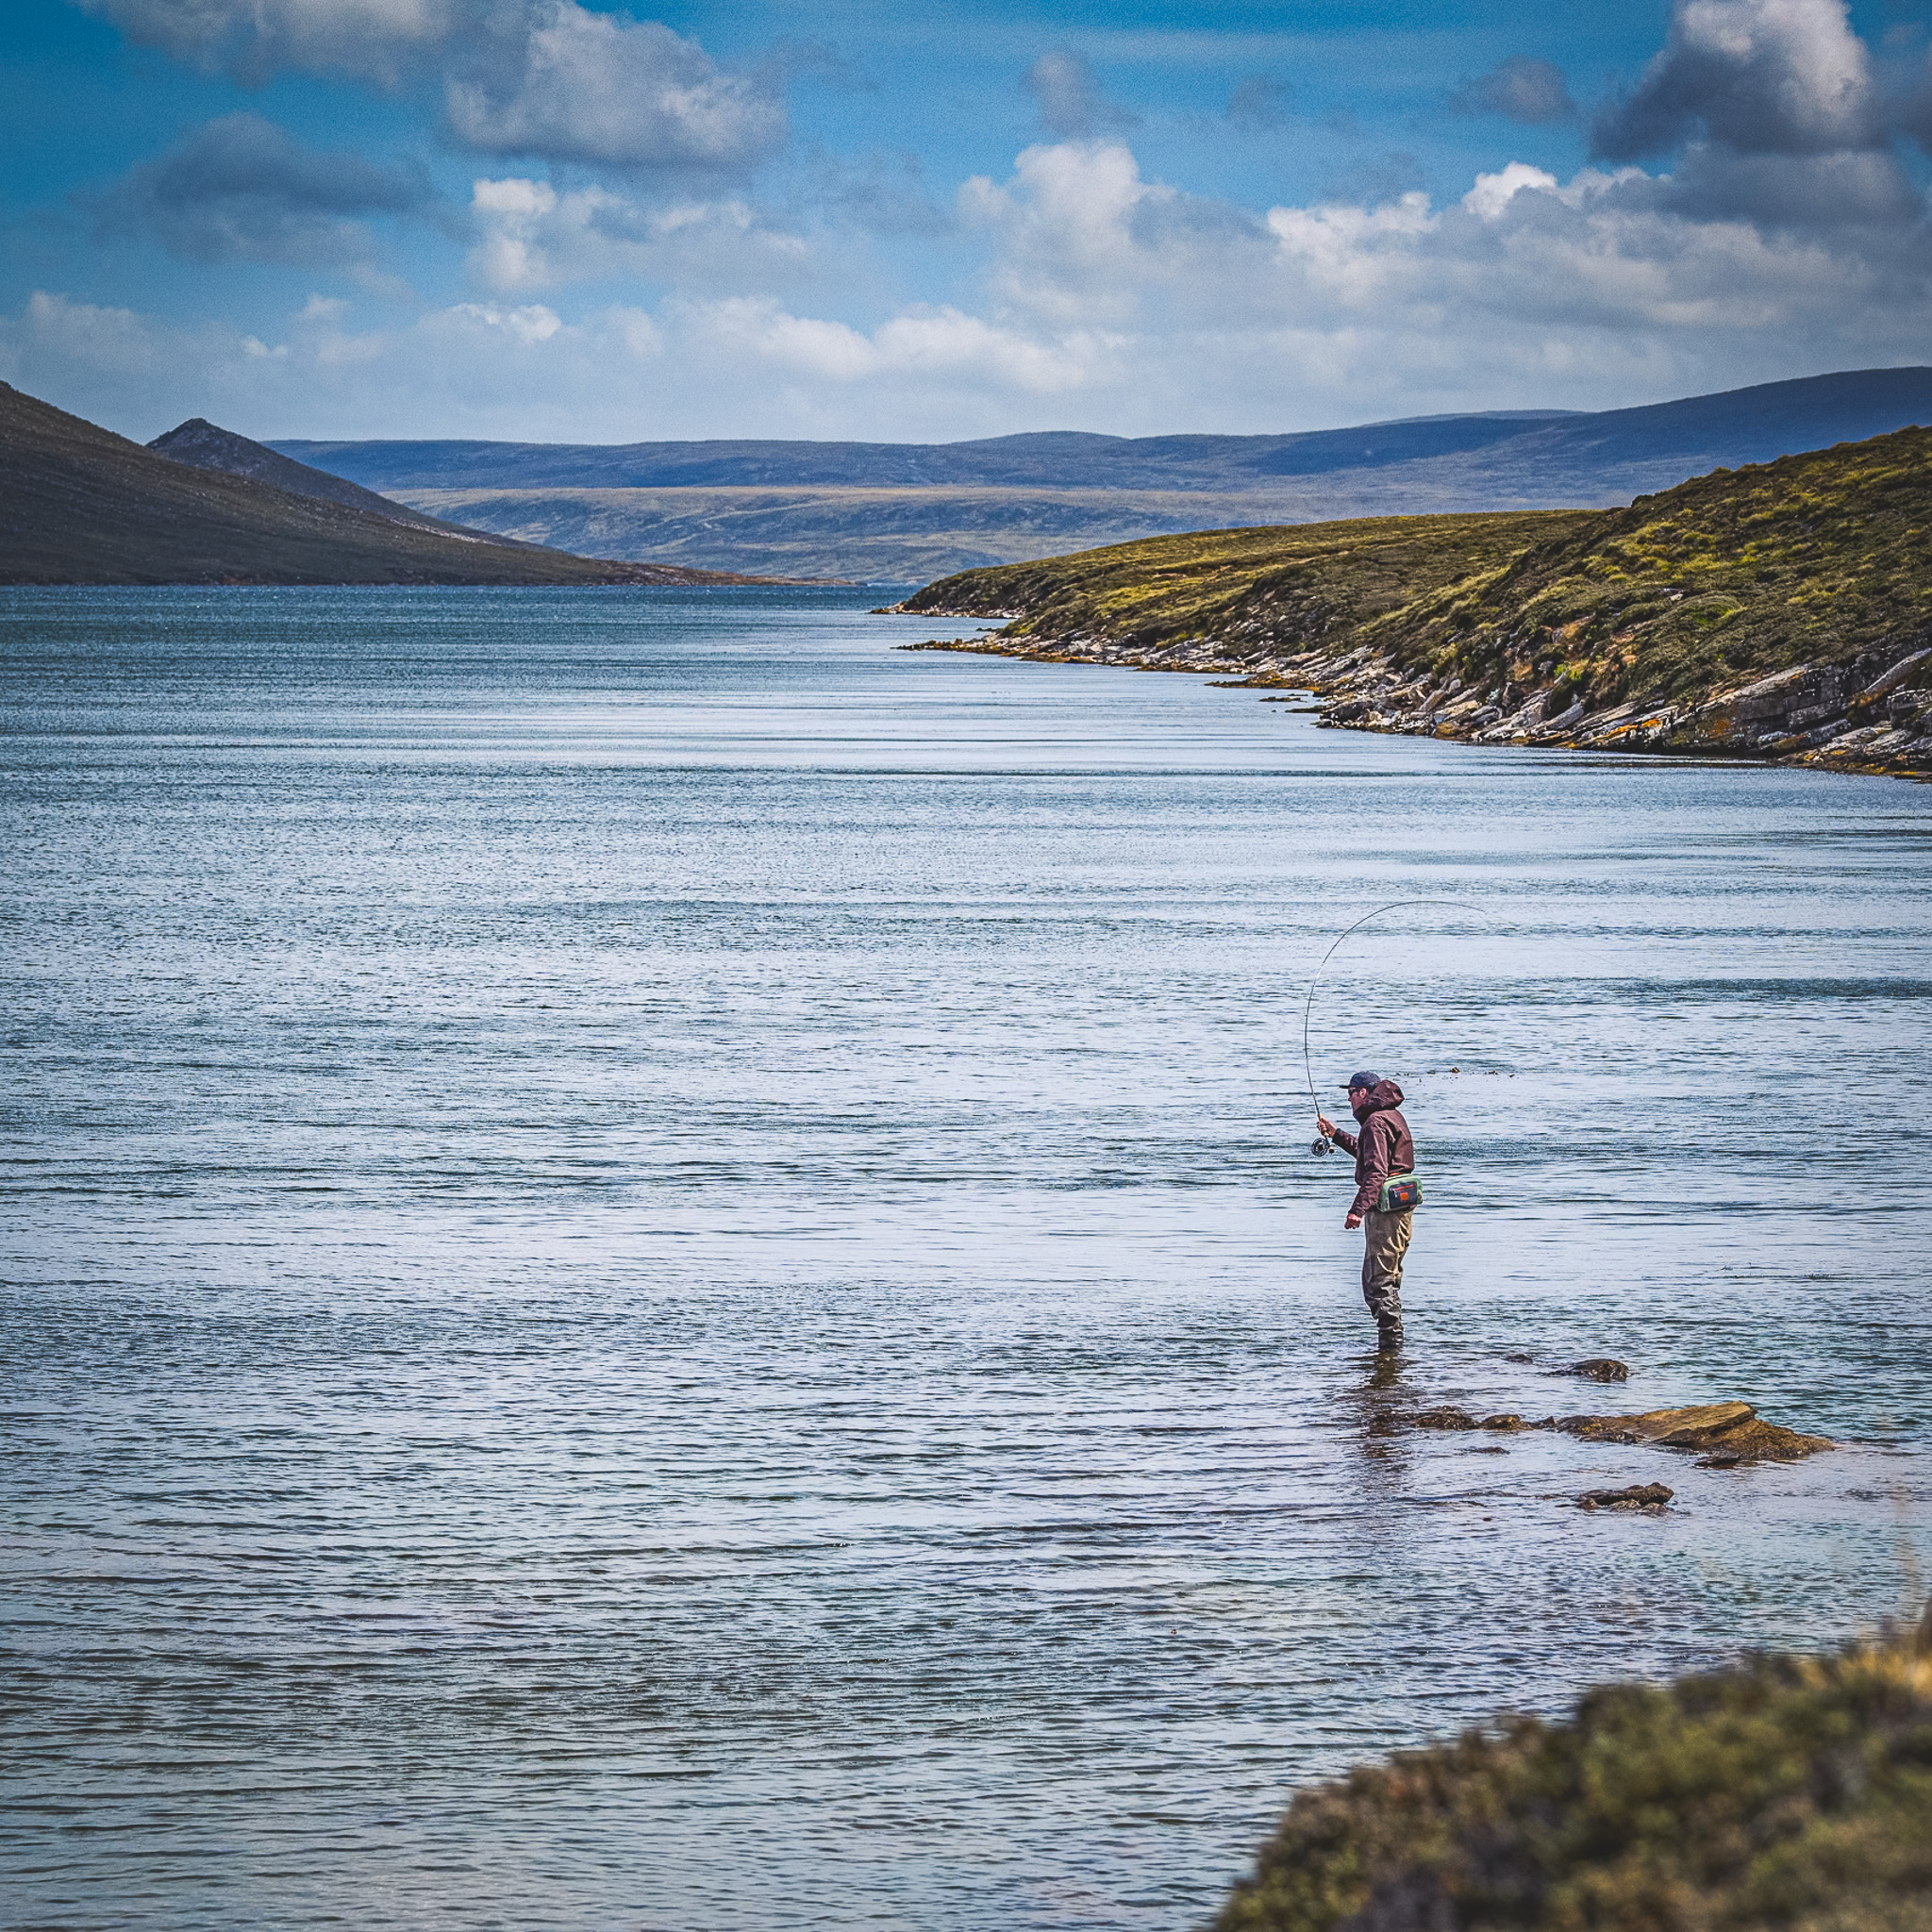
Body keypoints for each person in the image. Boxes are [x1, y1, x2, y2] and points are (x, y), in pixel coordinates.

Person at [1316, 1073, 1415, 1353]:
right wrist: (1336, 1135)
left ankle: (1390, 1350)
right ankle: (1391, 1347)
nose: (1348, 1098)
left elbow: (1376, 1171)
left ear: (1362, 1092)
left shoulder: (1375, 1122)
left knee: (1378, 1283)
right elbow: (1368, 1154)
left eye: (1350, 1093)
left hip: (1385, 1214)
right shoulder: (1389, 1116)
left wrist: (1356, 1210)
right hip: (1399, 1210)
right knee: (1386, 1279)